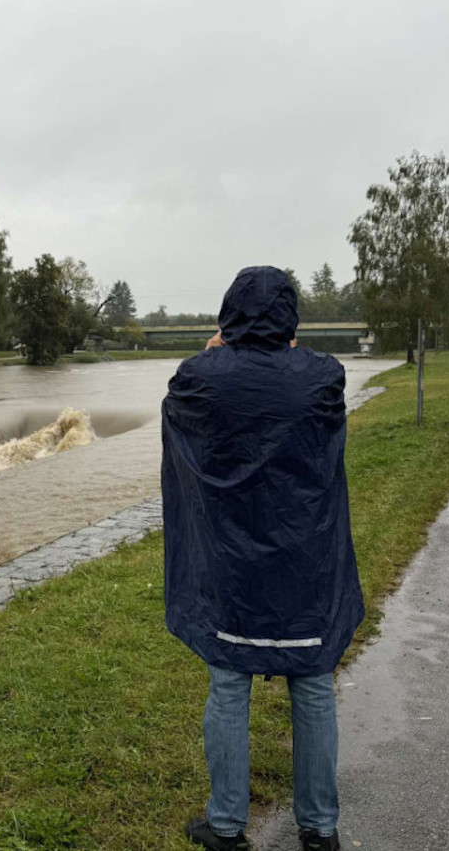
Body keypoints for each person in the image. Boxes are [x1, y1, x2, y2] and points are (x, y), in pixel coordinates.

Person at [161, 266, 363, 851]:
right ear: (289, 317)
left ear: (230, 314)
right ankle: (320, 829)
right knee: (314, 681)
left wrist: (213, 351)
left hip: (233, 567)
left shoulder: (203, 378)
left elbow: (182, 404)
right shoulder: (323, 378)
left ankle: (226, 826)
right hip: (308, 564)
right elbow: (319, 392)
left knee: (229, 682)